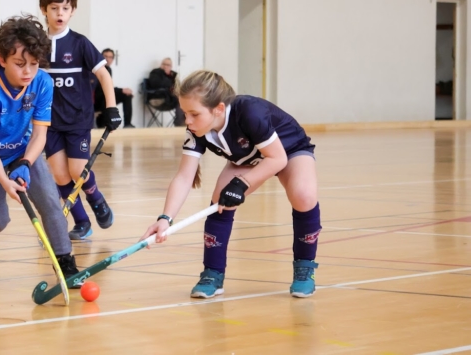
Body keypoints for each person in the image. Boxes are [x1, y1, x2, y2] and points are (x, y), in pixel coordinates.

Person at [140, 70, 321, 299]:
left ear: (219, 109)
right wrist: (164, 219)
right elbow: (184, 177)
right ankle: (213, 274)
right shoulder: (195, 130)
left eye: (194, 114)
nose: (188, 121)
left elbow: (277, 159)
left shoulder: (249, 112)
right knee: (220, 202)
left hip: (288, 151)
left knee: (303, 196)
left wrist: (242, 184)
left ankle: (305, 268)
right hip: (247, 158)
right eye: (185, 113)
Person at [0, 15, 79, 280]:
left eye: (34, 64)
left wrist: (26, 163)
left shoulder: (43, 83)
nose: (28, 72)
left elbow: (40, 134)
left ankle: (65, 262)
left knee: (50, 202)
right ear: (1, 59)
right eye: (19, 64)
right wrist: (6, 182)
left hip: (24, 152)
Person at [39, 0, 122, 240]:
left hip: (77, 120)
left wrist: (111, 107)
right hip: (48, 122)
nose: (60, 13)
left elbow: (103, 74)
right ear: (44, 10)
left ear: (73, 10)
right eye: (54, 8)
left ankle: (96, 199)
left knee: (77, 171)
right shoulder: (38, 44)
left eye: (65, 8)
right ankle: (82, 222)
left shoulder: (80, 43)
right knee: (60, 174)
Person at [94, 48, 134, 128]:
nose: (108, 59)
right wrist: (121, 90)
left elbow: (108, 87)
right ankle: (104, 124)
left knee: (127, 95)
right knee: (110, 96)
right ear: (101, 57)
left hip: (104, 97)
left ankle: (127, 124)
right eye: (105, 56)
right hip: (96, 100)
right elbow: (101, 89)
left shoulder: (109, 69)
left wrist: (122, 91)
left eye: (110, 57)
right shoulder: (97, 69)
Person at [148, 57, 185, 126]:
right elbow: (155, 83)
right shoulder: (155, 72)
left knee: (184, 99)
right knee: (180, 100)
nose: (165, 66)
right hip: (158, 97)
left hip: (171, 99)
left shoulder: (174, 75)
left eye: (168, 65)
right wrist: (167, 76)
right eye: (164, 64)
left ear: (171, 67)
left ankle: (183, 123)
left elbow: (178, 86)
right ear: (161, 64)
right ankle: (180, 124)